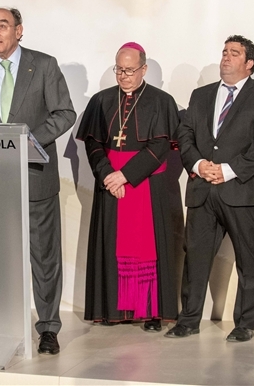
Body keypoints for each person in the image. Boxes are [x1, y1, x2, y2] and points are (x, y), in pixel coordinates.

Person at [0, 7, 76, 355]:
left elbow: (65, 113)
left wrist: (29, 141)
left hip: (35, 177)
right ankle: (1, 323)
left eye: (3, 26)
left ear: (19, 31)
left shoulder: (44, 65)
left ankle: (48, 328)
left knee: (44, 257)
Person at [168, 35, 254, 342]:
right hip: (203, 189)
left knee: (249, 259)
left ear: (249, 64)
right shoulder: (201, 95)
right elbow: (186, 134)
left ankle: (245, 324)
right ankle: (188, 320)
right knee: (195, 257)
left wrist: (228, 171)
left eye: (234, 53)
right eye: (224, 52)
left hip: (244, 192)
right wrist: (198, 164)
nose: (226, 57)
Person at [76, 42, 180, 332]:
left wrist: (126, 175)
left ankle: (151, 312)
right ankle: (113, 309)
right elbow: (95, 143)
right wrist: (108, 173)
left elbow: (161, 145)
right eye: (119, 70)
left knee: (146, 249)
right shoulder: (100, 100)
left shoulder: (161, 101)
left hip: (145, 184)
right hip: (110, 183)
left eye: (130, 70)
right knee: (112, 245)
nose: (123, 76)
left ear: (144, 69)